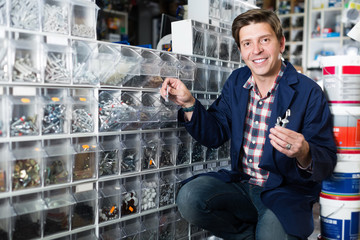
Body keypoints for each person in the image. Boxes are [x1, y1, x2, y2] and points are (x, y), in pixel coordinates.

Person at [160, 9, 337, 240]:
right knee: (190, 197)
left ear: (281, 43)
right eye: (247, 43)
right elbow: (215, 134)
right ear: (241, 51)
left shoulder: (308, 91)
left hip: (285, 192)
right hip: (242, 185)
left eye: (265, 40)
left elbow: (327, 158)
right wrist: (189, 103)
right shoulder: (237, 81)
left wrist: (304, 152)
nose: (256, 51)